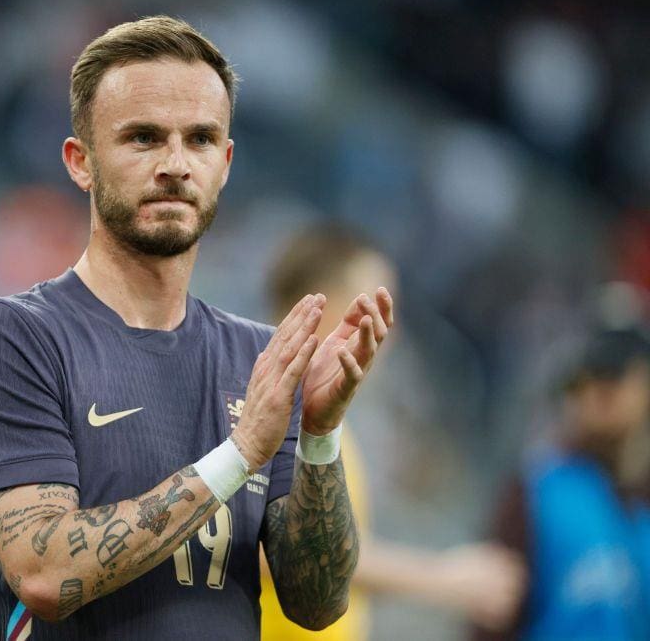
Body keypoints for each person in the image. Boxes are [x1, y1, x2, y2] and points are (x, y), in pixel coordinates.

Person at [0, 16, 394, 640]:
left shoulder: (261, 359)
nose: (176, 165)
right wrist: (239, 456)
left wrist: (320, 434)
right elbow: (44, 575)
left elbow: (317, 603)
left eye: (201, 139)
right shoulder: (10, 338)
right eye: (144, 138)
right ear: (81, 162)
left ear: (226, 162)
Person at [261, 224, 527, 640]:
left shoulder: (324, 427)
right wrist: (442, 579)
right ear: (322, 307)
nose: (392, 331)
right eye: (380, 307)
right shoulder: (267, 411)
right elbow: (276, 546)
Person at [474, 324, 650, 641]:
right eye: (586, 383)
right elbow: (490, 616)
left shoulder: (640, 494)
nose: (597, 396)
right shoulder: (538, 489)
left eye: (613, 380)